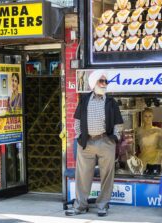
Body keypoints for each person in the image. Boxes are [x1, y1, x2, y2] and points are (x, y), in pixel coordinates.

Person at [65, 71, 123, 217]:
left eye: (106, 82)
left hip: (105, 141)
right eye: (101, 81)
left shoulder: (111, 102)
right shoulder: (84, 100)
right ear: (94, 83)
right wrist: (79, 137)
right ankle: (80, 206)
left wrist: (114, 138)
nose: (104, 84)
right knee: (83, 176)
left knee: (107, 175)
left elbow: (118, 123)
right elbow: (77, 121)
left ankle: (103, 205)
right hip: (86, 142)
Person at [135, 108, 162, 174]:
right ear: (142, 117)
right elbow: (134, 146)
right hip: (142, 162)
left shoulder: (158, 131)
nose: (148, 118)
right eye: (145, 116)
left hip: (155, 162)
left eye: (150, 116)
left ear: (153, 117)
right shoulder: (138, 131)